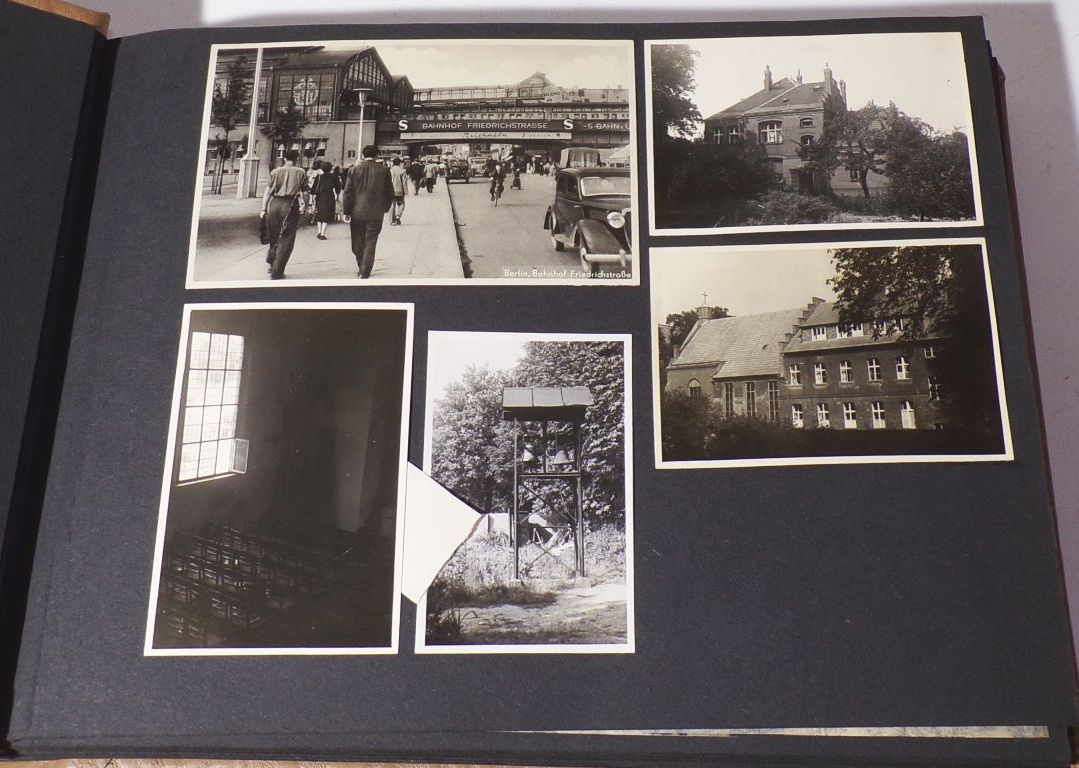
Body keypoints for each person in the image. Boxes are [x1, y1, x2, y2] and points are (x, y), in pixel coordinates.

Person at [340, 144, 393, 279]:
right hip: (376, 212)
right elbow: (389, 192)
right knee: (371, 240)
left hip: (357, 210)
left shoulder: (354, 170)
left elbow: (348, 193)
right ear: (376, 155)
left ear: (363, 155)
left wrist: (346, 211)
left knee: (357, 239)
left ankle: (360, 264)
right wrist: (385, 207)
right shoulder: (384, 170)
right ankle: (365, 270)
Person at [259, 149, 308, 280]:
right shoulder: (301, 172)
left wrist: (263, 209)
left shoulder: (275, 172)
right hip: (291, 205)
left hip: (275, 204)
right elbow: (305, 192)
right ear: (296, 158)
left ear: (284, 159)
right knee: (287, 239)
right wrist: (305, 206)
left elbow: (267, 192)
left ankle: (271, 261)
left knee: (274, 235)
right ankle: (277, 271)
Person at [312, 160, 340, 240]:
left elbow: (314, 188)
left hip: (319, 196)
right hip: (329, 196)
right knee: (326, 214)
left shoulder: (319, 176)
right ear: (330, 168)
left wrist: (313, 196)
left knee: (319, 213)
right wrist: (337, 195)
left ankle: (319, 232)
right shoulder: (334, 176)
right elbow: (338, 187)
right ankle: (323, 233)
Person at [389, 156, 408, 225]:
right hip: (400, 191)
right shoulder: (402, 171)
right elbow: (404, 182)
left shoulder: (390, 170)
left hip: (391, 191)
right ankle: (398, 216)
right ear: (400, 163)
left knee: (392, 206)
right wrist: (406, 191)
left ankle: (392, 221)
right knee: (401, 204)